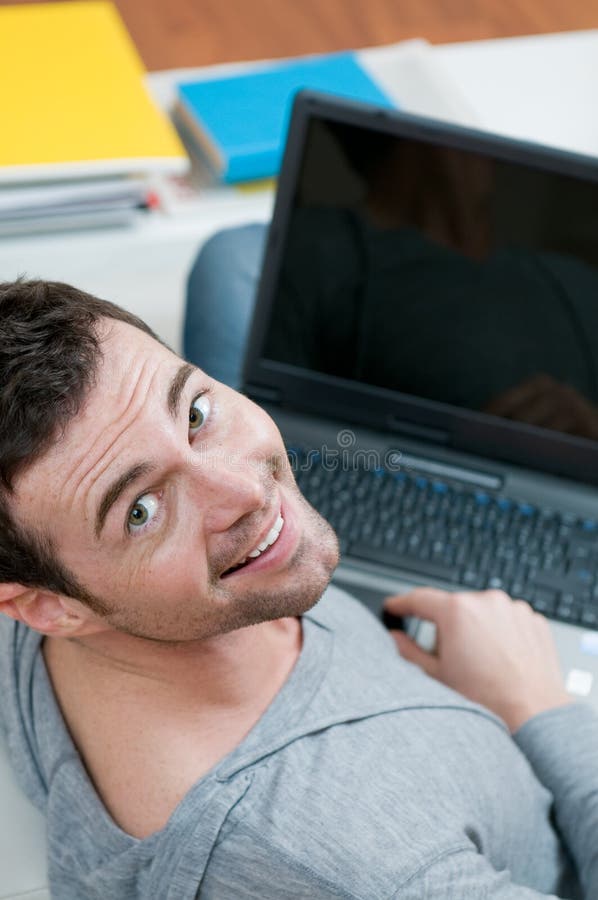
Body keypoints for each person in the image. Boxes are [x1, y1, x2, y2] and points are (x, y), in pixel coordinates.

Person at [0, 274, 597, 900]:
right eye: (142, 509)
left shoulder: (51, 548)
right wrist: (540, 711)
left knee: (229, 263)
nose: (249, 492)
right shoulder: (367, 868)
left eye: (196, 412)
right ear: (46, 606)